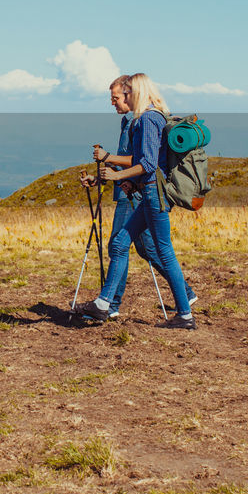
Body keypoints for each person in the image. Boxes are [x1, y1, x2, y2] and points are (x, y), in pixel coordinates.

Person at [75, 73, 198, 329]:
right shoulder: (148, 119)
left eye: (126, 94)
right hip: (150, 192)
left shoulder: (147, 120)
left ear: (136, 92)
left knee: (162, 251)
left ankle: (184, 313)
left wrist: (118, 174)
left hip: (154, 194)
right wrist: (124, 180)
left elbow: (148, 163)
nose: (124, 98)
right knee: (122, 244)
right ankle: (104, 303)